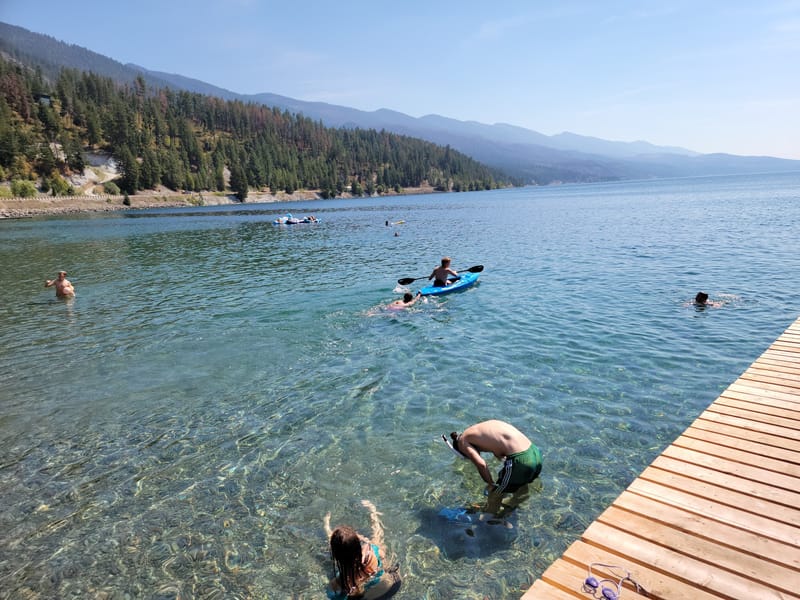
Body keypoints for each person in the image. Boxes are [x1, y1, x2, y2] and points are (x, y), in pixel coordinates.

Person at [324, 500, 401, 600]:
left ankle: (327, 527)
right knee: (377, 539)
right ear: (358, 545)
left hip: (362, 596)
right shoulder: (371, 554)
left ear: (336, 556)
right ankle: (373, 512)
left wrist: (326, 525)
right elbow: (378, 533)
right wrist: (372, 511)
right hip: (389, 587)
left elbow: (333, 596)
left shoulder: (337, 583)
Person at [447, 420, 542, 497]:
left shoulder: (462, 442)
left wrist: (490, 483)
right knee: (521, 487)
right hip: (535, 452)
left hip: (521, 459)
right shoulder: (479, 429)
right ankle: (512, 508)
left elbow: (481, 465)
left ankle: (491, 514)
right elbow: (500, 444)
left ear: (461, 451)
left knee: (495, 494)